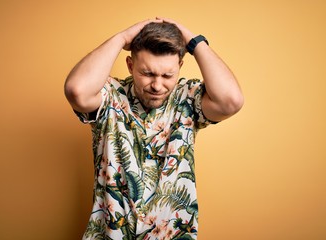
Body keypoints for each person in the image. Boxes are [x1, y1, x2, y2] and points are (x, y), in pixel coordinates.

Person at [64, 17, 243, 240]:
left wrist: (194, 42)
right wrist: (121, 38)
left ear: (179, 67)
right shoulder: (110, 95)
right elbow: (76, 91)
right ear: (130, 66)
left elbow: (231, 101)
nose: (157, 85)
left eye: (168, 75)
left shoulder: (187, 98)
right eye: (147, 74)